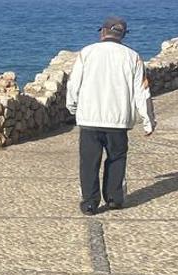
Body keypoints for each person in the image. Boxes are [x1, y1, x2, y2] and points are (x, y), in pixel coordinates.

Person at [66, 16, 156, 215]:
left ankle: (90, 203)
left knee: (89, 162)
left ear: (103, 31)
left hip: (89, 118)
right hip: (118, 119)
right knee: (117, 158)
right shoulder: (133, 57)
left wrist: (72, 107)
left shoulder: (87, 53)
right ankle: (114, 198)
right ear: (123, 34)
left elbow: (74, 84)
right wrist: (148, 120)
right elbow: (142, 90)